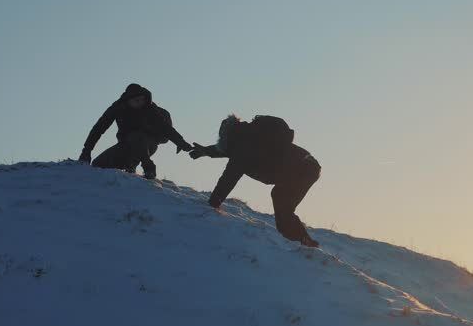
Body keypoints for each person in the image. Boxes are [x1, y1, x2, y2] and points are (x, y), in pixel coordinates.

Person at [190, 114, 321, 247]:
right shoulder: (248, 138)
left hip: (303, 170)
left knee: (283, 205)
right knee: (280, 199)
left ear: (229, 137)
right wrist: (206, 151)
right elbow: (230, 151)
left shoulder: (244, 146)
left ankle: (306, 244)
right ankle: (305, 242)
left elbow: (228, 178)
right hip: (306, 165)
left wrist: (214, 202)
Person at [78, 83, 193, 179]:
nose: (140, 103)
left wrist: (181, 143)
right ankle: (129, 165)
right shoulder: (118, 108)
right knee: (98, 165)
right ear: (128, 100)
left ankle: (148, 168)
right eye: (137, 100)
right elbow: (99, 128)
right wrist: (87, 150)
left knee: (136, 136)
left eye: (142, 100)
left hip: (148, 145)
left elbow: (165, 128)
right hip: (125, 145)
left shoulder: (150, 108)